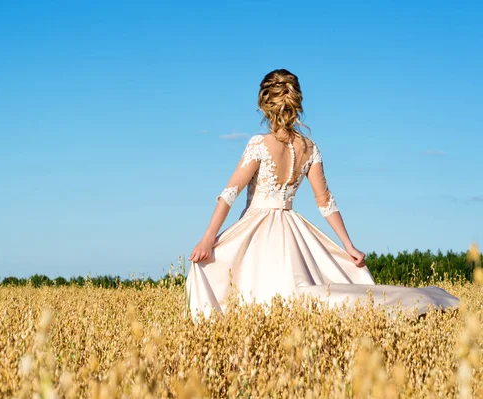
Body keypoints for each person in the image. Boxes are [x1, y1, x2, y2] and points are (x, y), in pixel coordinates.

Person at [185, 69, 459, 319]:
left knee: (240, 283)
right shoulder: (309, 147)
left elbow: (230, 193)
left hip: (257, 229)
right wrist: (347, 245)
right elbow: (325, 201)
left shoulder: (259, 144)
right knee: (298, 291)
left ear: (264, 104)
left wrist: (208, 239)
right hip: (292, 227)